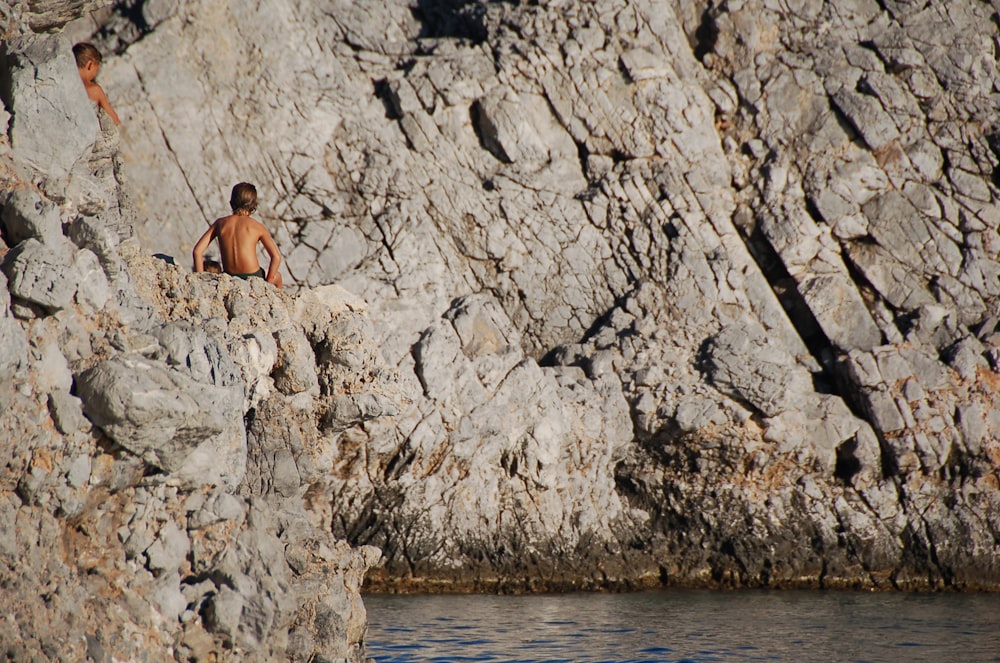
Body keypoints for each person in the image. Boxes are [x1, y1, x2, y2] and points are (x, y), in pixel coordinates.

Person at [192, 182, 283, 288]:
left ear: (232, 202)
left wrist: (200, 279)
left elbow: (197, 251)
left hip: (229, 276)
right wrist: (269, 281)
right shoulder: (257, 227)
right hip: (253, 276)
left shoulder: (220, 223)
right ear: (253, 205)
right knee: (278, 276)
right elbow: (276, 257)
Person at [73, 42, 120, 126]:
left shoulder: (67, 81)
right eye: (97, 67)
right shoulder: (94, 90)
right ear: (90, 65)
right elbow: (114, 120)